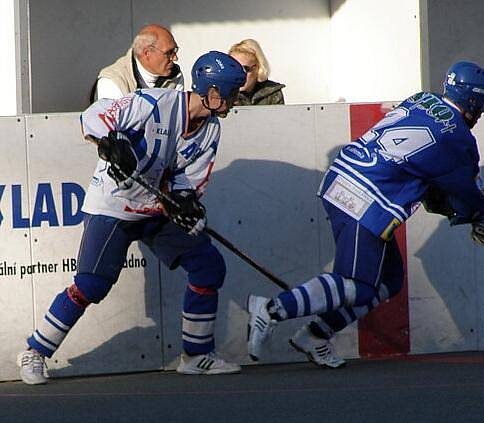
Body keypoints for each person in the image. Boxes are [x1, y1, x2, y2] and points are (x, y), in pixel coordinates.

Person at [246, 61, 484, 368]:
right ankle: (272, 309)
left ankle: (316, 335)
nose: (483, 112)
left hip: (347, 179)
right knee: (357, 284)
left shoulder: (422, 98)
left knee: (390, 279)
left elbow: (420, 165)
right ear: (473, 99)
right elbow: (467, 191)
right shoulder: (459, 138)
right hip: (366, 198)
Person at [17, 51, 246, 384]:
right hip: (115, 204)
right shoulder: (153, 104)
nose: (233, 102)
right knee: (92, 285)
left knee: (208, 265)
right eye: (229, 94)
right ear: (211, 92)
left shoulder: (210, 129)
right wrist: (113, 142)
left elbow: (189, 180)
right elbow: (94, 116)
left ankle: (196, 355)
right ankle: (34, 351)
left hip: (156, 207)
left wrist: (185, 203)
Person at [90, 24, 184, 102]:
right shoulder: (112, 81)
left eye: (175, 51)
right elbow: (112, 123)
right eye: (169, 53)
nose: (175, 58)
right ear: (147, 53)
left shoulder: (175, 75)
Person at [228, 39, 285, 106]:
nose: (239, 74)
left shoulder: (272, 93)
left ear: (259, 68)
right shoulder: (221, 94)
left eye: (245, 69)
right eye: (233, 68)